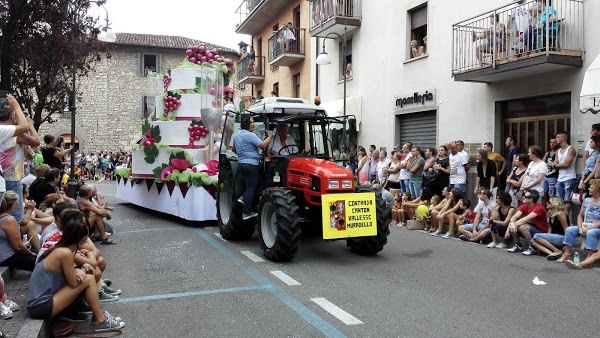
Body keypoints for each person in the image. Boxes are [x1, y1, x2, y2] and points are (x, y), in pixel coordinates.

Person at [26, 218, 125, 331]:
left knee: (87, 275)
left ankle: (96, 316)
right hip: (40, 306)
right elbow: (73, 283)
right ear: (83, 238)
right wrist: (83, 268)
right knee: (88, 279)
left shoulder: (61, 248)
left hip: (40, 302)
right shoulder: (65, 252)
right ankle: (100, 320)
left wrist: (79, 270)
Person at [233, 114, 272, 220]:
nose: (253, 124)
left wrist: (244, 153)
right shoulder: (249, 135)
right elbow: (263, 145)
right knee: (251, 188)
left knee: (258, 182)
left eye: (253, 122)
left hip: (242, 164)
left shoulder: (237, 135)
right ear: (245, 123)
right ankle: (246, 212)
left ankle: (243, 198)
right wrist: (269, 137)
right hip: (251, 165)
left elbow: (233, 149)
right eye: (251, 122)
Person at [556, 179, 600, 266]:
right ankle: (567, 254)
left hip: (596, 227)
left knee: (591, 232)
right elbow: (580, 215)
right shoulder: (587, 200)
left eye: (591, 188)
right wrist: (580, 227)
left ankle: (589, 258)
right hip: (585, 225)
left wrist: (588, 228)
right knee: (570, 229)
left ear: (598, 191)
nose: (589, 189)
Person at [0, 94, 31, 202]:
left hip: (6, 177)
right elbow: (35, 140)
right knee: (15, 214)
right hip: (11, 178)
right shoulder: (6, 131)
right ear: (12, 117)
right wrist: (17, 107)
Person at [0, 191, 37, 271]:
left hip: (6, 253)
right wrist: (30, 253)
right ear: (15, 204)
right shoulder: (9, 220)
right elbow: (18, 247)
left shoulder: (4, 218)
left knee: (41, 253)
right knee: (42, 261)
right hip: (7, 256)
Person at [506, 189, 548, 254]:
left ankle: (532, 248)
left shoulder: (539, 208)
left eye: (525, 197)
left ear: (531, 200)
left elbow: (525, 219)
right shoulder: (524, 206)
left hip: (541, 231)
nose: (523, 197)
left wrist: (509, 228)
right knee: (514, 224)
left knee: (522, 227)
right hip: (532, 227)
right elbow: (514, 217)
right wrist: (512, 224)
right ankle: (518, 245)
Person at [549, 132, 577, 213]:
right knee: (558, 199)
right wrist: (555, 165)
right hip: (560, 177)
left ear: (563, 138)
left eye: (558, 137)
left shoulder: (570, 149)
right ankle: (559, 217)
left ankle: (565, 217)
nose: (556, 139)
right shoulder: (558, 151)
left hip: (569, 177)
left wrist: (554, 165)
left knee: (567, 200)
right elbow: (554, 162)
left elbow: (566, 164)